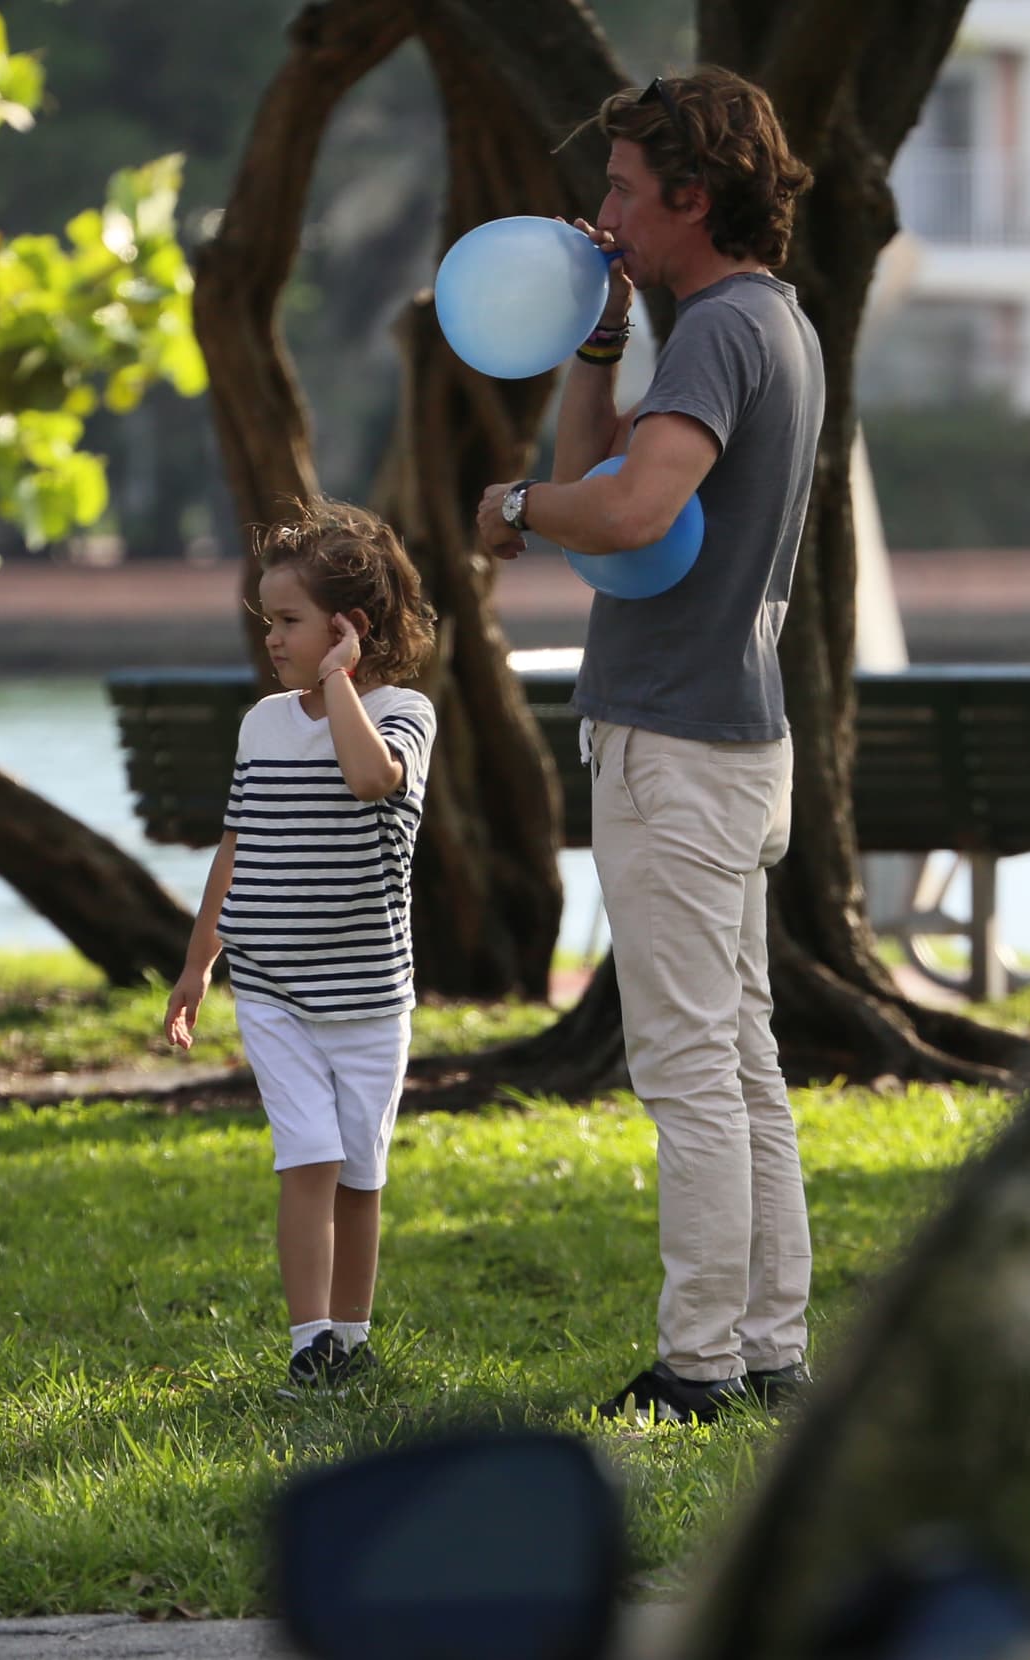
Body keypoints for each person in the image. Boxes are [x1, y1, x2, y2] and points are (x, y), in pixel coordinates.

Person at [477, 67, 824, 1424]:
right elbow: (609, 471)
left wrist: (513, 505)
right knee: (739, 1057)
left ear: (692, 194)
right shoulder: (758, 325)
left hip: (678, 746)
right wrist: (601, 345)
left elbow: (626, 514)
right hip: (730, 738)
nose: (601, 213)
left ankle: (697, 1369)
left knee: (687, 1068)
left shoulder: (724, 334)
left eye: (623, 188)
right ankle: (769, 1347)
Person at [163, 497, 437, 1394]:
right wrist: (202, 958)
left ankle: (351, 1341)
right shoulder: (263, 724)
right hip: (275, 988)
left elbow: (369, 781)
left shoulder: (402, 715)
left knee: (360, 1172)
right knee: (307, 1157)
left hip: (367, 998)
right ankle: (308, 1341)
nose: (273, 640)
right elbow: (237, 844)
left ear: (348, 628)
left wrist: (345, 685)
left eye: (288, 621)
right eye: (268, 620)